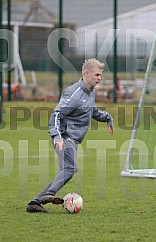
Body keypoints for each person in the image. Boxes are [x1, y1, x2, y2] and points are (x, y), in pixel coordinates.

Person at [26, 58, 114, 213]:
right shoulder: (74, 93)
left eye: (101, 75)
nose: (100, 78)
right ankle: (49, 194)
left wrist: (106, 117)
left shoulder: (90, 91)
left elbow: (90, 110)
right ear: (86, 73)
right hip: (64, 137)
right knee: (71, 168)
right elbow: (56, 115)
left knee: (66, 171)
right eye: (97, 75)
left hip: (72, 139)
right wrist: (57, 137)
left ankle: (34, 203)